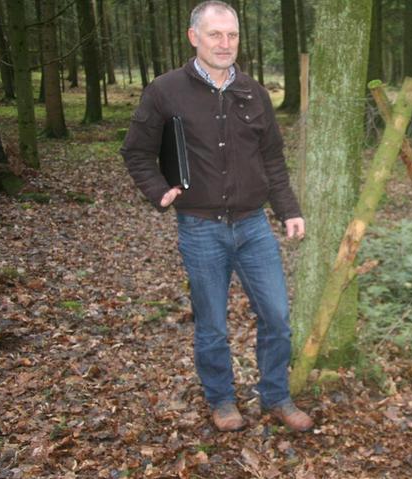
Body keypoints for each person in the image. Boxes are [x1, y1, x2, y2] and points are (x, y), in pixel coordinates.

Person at [121, 0, 313, 433]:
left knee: (278, 318)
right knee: (212, 324)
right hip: (200, 228)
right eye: (215, 34)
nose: (225, 44)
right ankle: (222, 399)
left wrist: (288, 210)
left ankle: (276, 396)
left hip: (253, 225)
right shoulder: (165, 91)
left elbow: (272, 159)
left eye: (232, 35)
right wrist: (158, 190)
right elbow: (136, 150)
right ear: (194, 37)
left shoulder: (254, 92)